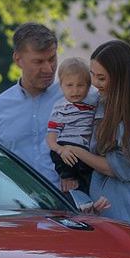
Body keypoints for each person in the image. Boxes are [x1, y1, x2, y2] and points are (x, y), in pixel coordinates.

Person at [58, 40, 130, 227]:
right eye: (92, 75)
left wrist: (77, 152)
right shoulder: (101, 101)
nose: (95, 83)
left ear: (121, 78)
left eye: (101, 78)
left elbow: (121, 168)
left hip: (122, 216)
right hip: (95, 213)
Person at [0, 23, 63, 188]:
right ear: (17, 60)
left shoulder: (77, 97)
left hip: (70, 201)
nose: (49, 69)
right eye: (38, 61)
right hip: (18, 201)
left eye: (52, 59)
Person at [46, 57, 99, 193]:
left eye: (80, 85)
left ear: (89, 85)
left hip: (85, 150)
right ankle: (68, 180)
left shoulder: (94, 102)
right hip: (65, 148)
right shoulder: (60, 108)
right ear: (61, 86)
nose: (75, 90)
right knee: (62, 159)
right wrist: (60, 150)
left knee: (89, 177)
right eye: (69, 85)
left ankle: (84, 193)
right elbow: (51, 139)